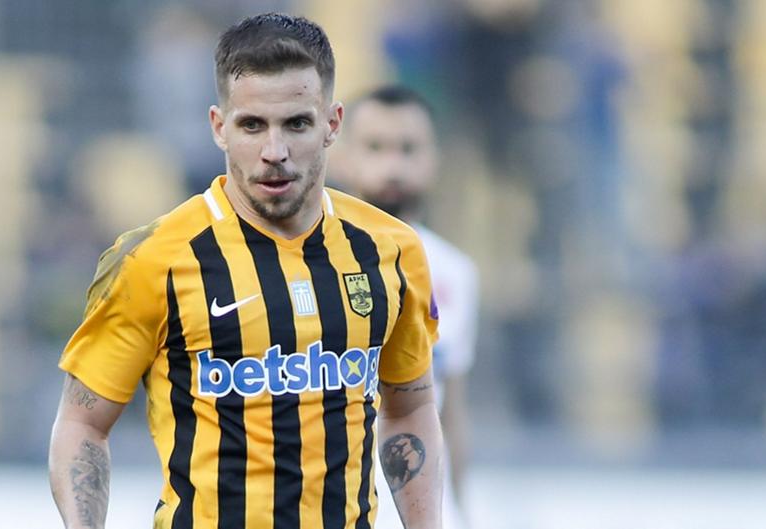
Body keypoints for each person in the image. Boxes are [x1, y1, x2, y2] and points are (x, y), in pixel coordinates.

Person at [48, 13, 444, 529]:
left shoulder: (392, 249)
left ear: (332, 124)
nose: (274, 152)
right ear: (219, 127)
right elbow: (82, 424)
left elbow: (410, 410)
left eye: (296, 124)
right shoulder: (154, 259)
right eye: (252, 125)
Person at [335, 86, 480, 529]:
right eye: (375, 147)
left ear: (434, 159)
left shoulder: (455, 271)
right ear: (343, 155)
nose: (393, 166)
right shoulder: (307, 260)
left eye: (408, 149)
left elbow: (450, 407)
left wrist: (460, 510)